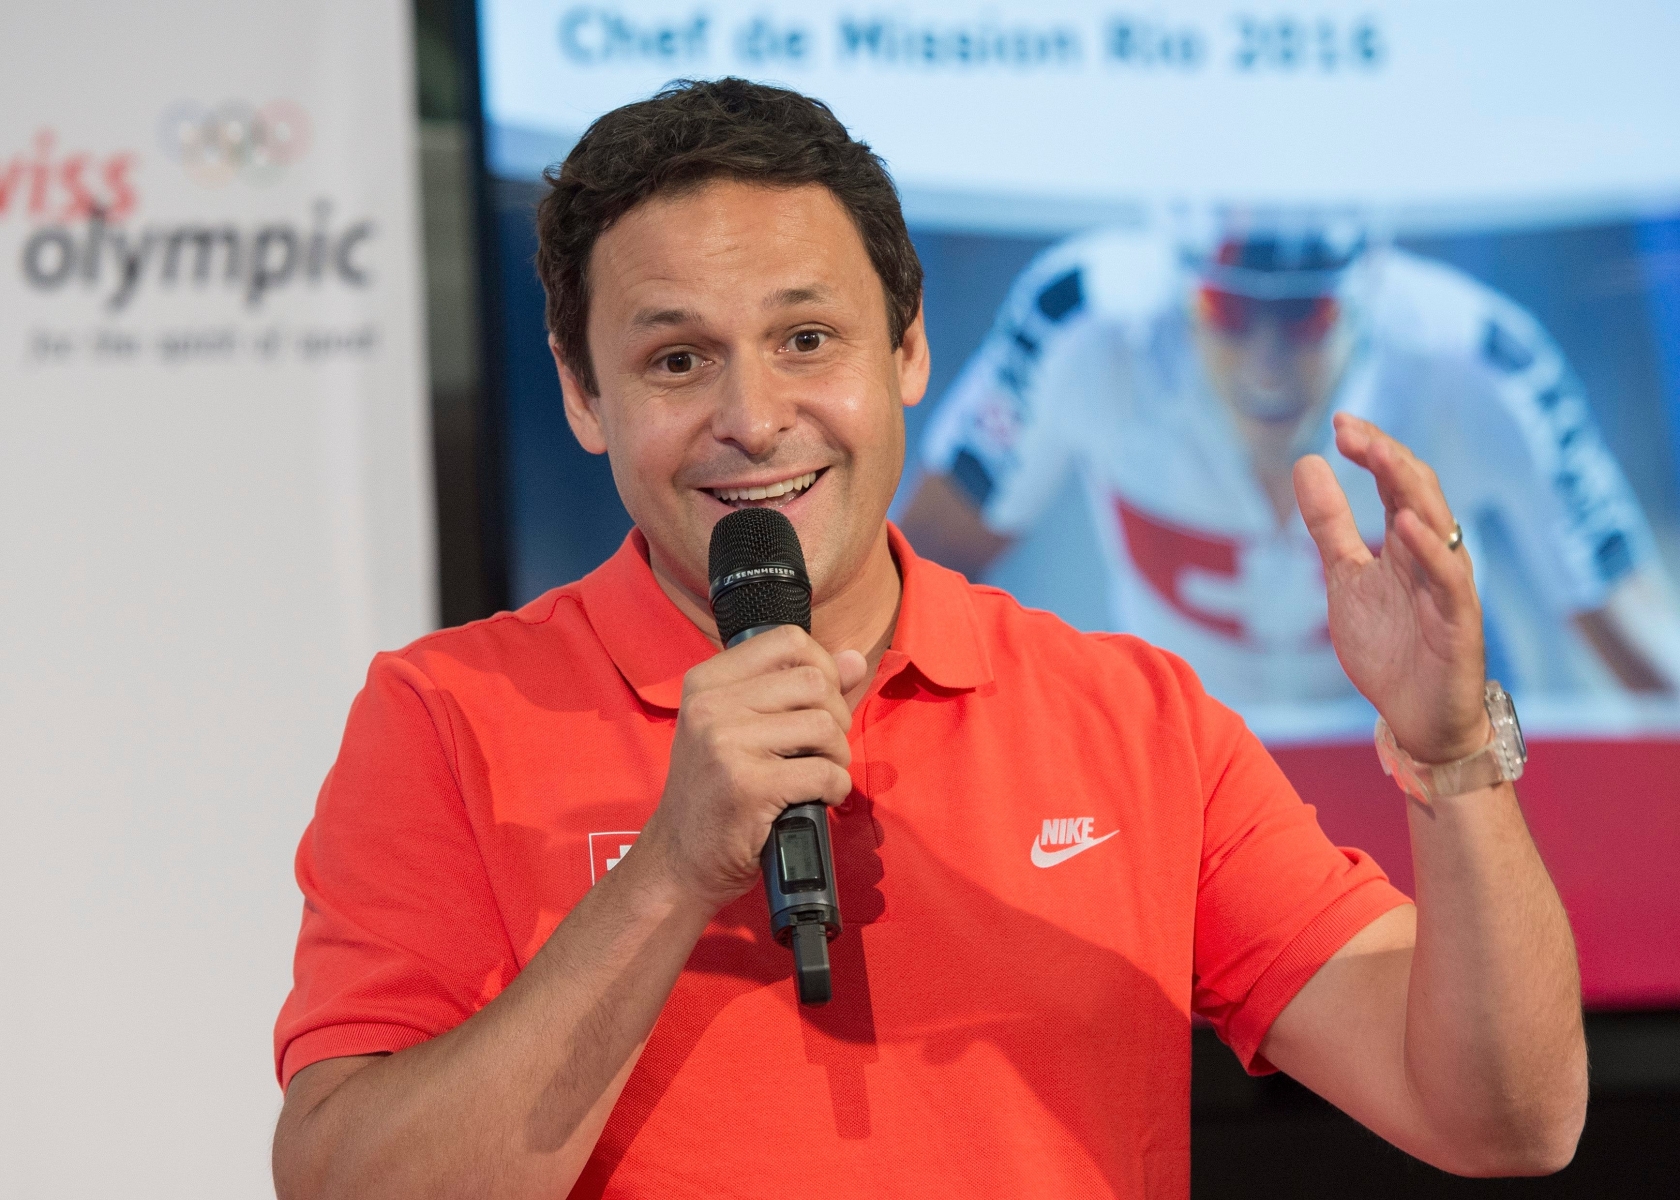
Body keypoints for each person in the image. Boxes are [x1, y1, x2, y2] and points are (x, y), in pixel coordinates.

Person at [271, 80, 1586, 1198]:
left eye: (806, 338)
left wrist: (1455, 752)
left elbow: (1504, 1120)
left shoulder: (1131, 715)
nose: (755, 416)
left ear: (908, 353)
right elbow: (349, 1176)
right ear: (582, 395)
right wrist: (670, 873)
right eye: (678, 360)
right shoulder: (444, 714)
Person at [902, 217, 1680, 721]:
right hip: (1193, 744)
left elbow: (1641, 648)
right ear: (1180, 290)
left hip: (1420, 742)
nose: (1267, 363)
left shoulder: (1477, 359)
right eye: (1232, 311)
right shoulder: (1084, 321)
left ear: (1369, 290)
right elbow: (915, 570)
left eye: (1305, 314)